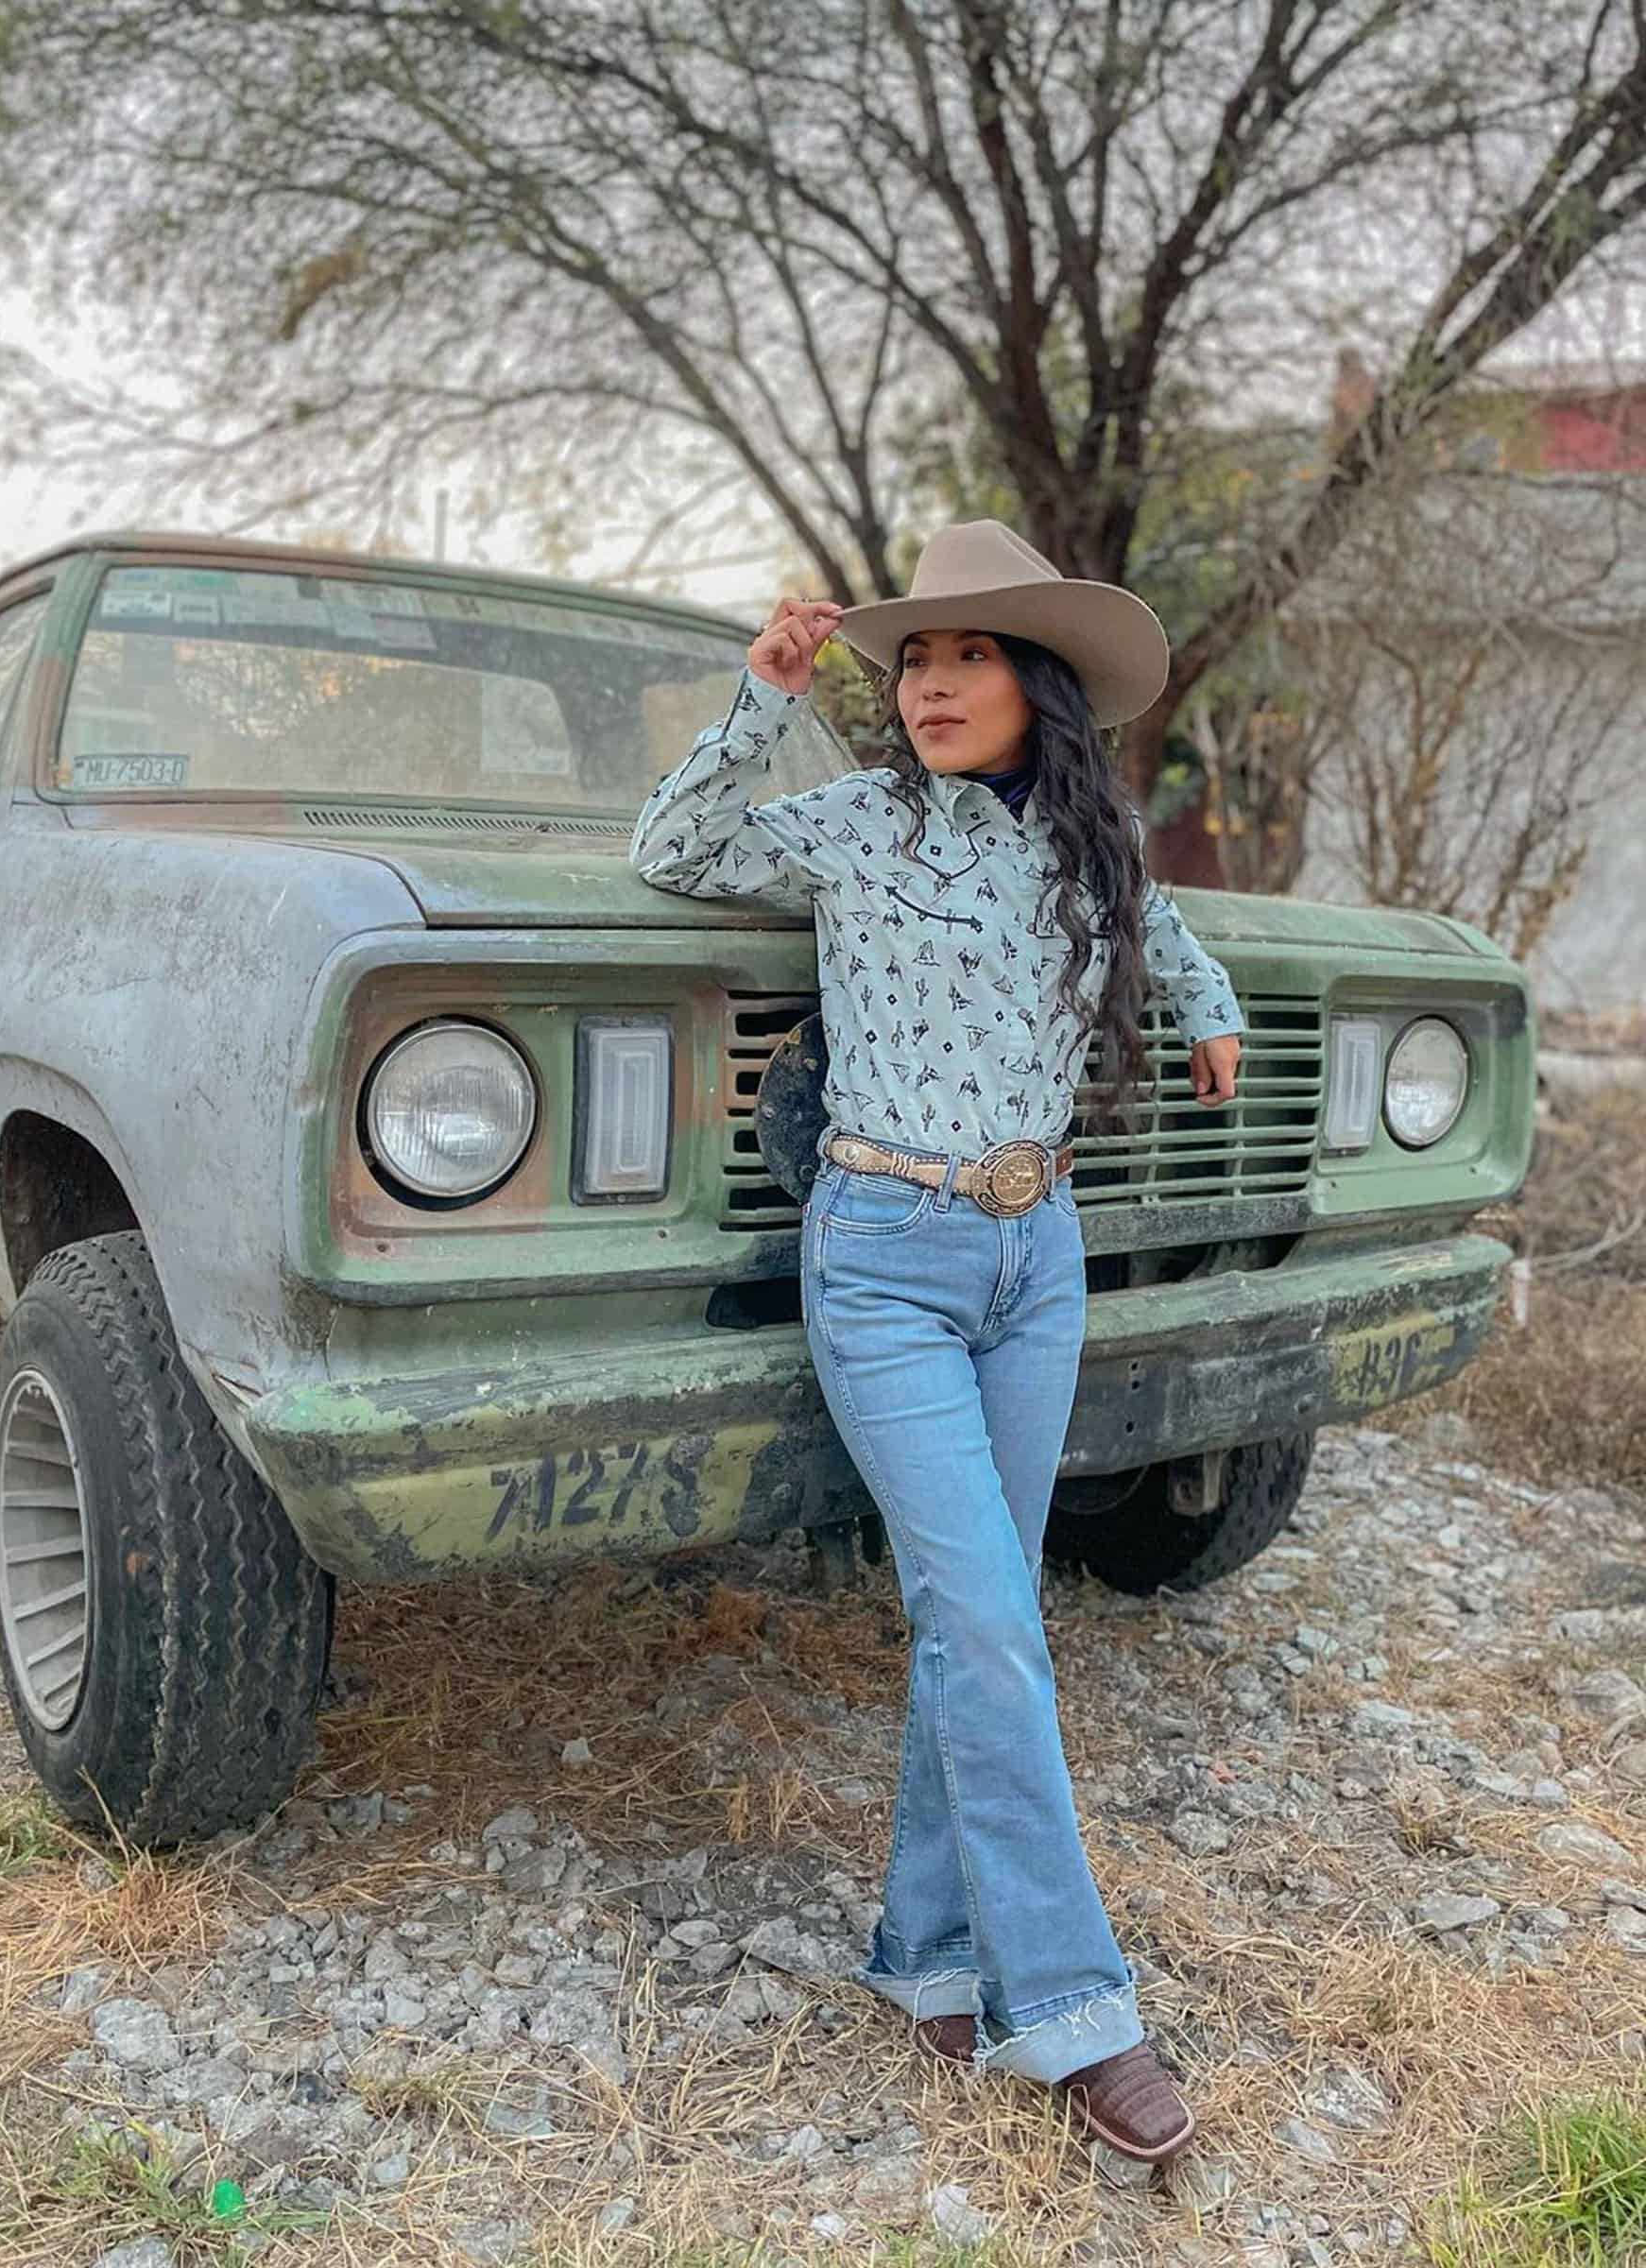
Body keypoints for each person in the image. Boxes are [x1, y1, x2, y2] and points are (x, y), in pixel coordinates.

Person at [628, 520, 1243, 2170]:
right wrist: (763, 692)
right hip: (886, 1258)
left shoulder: (1084, 850)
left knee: (976, 1623)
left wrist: (1216, 1012)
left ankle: (923, 1960)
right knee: (987, 1620)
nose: (931, 685)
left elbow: (1162, 934)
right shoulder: (854, 825)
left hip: (1039, 1260)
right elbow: (674, 850)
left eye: (970, 655)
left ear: (1040, 686)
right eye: (914, 657)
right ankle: (1079, 2009)